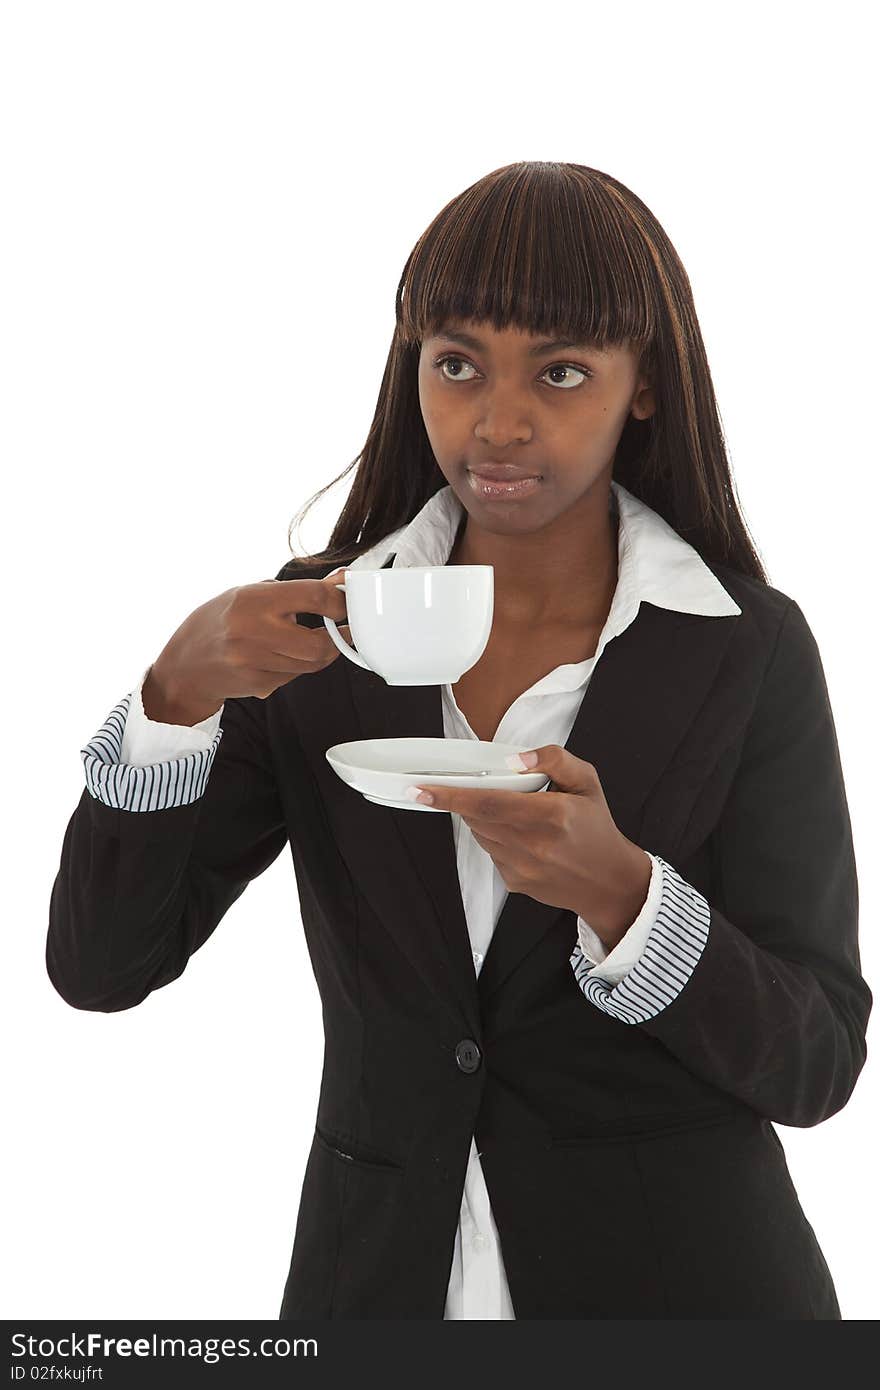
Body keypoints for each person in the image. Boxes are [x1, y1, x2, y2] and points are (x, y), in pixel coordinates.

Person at [47, 160, 872, 1319]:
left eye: (563, 369)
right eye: (456, 363)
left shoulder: (745, 650)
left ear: (645, 387)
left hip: (688, 1293)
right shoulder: (314, 636)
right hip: (373, 1286)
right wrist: (174, 696)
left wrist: (630, 899)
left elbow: (818, 1059)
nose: (498, 420)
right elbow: (101, 968)